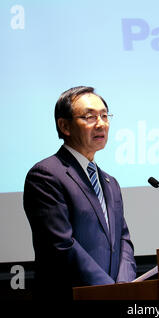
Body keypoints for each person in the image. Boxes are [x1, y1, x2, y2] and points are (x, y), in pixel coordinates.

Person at [23, 86, 136, 300]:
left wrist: (124, 286)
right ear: (64, 125)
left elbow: (123, 241)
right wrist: (107, 290)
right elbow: (61, 244)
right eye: (90, 117)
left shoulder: (110, 182)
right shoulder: (46, 176)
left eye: (104, 115)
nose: (101, 123)